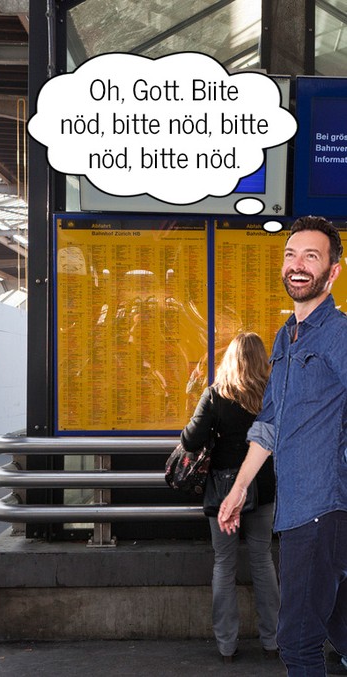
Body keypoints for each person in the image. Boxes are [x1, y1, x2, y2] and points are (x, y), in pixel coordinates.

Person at [218, 216, 347, 676]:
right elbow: (269, 422)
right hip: (293, 512)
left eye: (311, 256)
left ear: (332, 271)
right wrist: (237, 490)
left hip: (322, 508)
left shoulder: (340, 335)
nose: (298, 265)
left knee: (296, 641)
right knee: (339, 623)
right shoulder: (283, 337)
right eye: (291, 255)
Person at [181, 332, 279, 663]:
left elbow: (191, 441)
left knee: (224, 563)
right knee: (263, 559)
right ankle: (272, 640)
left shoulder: (215, 396)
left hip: (223, 492)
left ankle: (226, 645)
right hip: (263, 490)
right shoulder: (272, 395)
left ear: (231, 360)